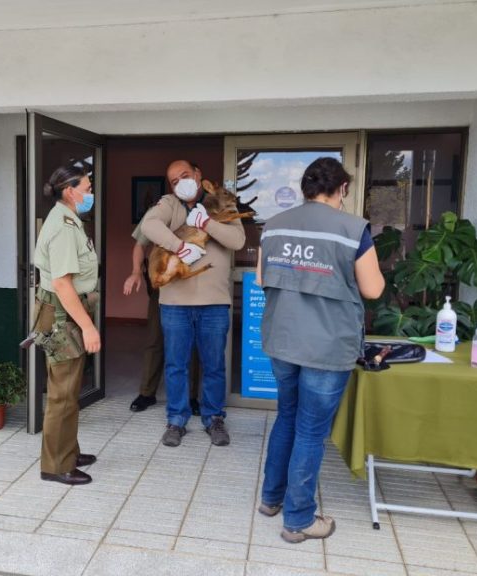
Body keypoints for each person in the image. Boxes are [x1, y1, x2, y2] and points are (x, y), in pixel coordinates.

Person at [256, 157, 385, 543]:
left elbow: (263, 277)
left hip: (282, 339)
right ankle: (298, 519)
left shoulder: (274, 226)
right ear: (342, 188)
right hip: (326, 346)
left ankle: (271, 498)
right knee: (311, 431)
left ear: (305, 189)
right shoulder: (352, 229)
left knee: (287, 417)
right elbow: (374, 289)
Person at [141, 160, 245, 448]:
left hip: (214, 302)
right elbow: (149, 224)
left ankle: (214, 418)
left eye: (185, 176)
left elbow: (237, 240)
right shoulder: (169, 204)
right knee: (176, 365)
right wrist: (179, 245)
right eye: (174, 180)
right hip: (175, 303)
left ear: (199, 175)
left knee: (214, 365)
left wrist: (207, 222)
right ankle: (176, 419)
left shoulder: (221, 203)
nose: (180, 183)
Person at [32, 164, 101, 486]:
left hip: (67, 312)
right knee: (62, 392)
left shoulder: (69, 220)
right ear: (70, 191)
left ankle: (68, 451)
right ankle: (56, 465)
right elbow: (62, 284)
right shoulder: (61, 226)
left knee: (70, 388)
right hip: (63, 315)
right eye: (87, 188)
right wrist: (87, 326)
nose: (91, 194)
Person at [123, 224, 201, 415]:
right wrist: (135, 271)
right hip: (163, 285)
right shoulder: (158, 214)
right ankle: (147, 393)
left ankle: (191, 397)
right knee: (155, 339)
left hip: (194, 284)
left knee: (191, 343)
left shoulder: (200, 213)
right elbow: (140, 244)